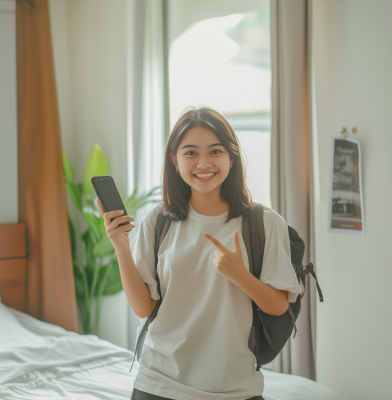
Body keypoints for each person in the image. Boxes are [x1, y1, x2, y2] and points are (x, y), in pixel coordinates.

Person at [97, 107, 302, 400]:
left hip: (235, 388)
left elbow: (280, 307)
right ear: (174, 160)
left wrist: (241, 276)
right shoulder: (159, 221)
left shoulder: (264, 223)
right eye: (190, 152)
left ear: (231, 157)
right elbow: (143, 307)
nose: (203, 163)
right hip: (159, 383)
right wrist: (120, 245)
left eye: (215, 151)